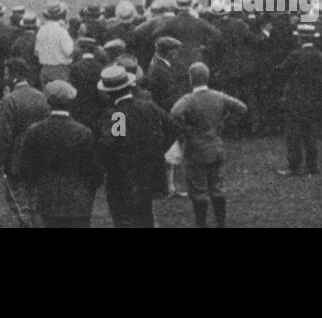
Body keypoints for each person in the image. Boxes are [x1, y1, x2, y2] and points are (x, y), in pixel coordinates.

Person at [95, 64, 176, 228]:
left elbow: (113, 145)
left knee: (125, 220)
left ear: (108, 92)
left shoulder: (118, 114)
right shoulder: (148, 106)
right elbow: (173, 127)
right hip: (149, 171)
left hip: (124, 177)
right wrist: (159, 149)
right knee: (146, 217)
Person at [16, 80, 103, 228]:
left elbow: (25, 167)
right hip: (77, 201)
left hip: (46, 199)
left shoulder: (35, 131)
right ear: (71, 102)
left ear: (48, 101)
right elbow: (93, 169)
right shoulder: (83, 132)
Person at [170, 62, 247, 228]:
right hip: (216, 147)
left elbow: (175, 112)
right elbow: (242, 108)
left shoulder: (189, 99)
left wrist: (186, 128)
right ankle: (221, 223)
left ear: (191, 79)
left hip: (196, 150)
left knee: (198, 192)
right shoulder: (219, 96)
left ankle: (201, 224)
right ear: (208, 77)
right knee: (217, 188)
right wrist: (222, 121)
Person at [0, 57, 48, 227]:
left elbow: (5, 135)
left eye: (6, 74)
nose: (5, 77)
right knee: (35, 200)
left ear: (15, 75)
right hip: (39, 153)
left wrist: (0, 159)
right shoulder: (41, 96)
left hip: (17, 155)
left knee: (18, 200)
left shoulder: (10, 100)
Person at [276, 22, 322, 177]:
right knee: (310, 133)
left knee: (293, 135)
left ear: (300, 38)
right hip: (314, 99)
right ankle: (312, 165)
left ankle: (294, 166)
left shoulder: (295, 55)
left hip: (295, 99)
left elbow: (282, 71)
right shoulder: (320, 56)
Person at [35, 1, 74, 84]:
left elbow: (37, 53)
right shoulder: (62, 31)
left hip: (45, 69)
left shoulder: (41, 30)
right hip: (60, 71)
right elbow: (69, 52)